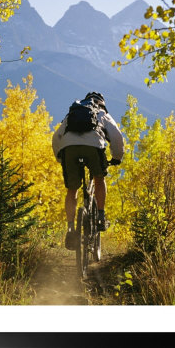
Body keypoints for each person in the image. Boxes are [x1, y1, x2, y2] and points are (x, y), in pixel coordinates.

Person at [52, 92, 124, 250]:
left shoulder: (72, 113)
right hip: (93, 147)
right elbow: (117, 137)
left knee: (72, 189)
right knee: (99, 178)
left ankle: (70, 228)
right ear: (102, 103)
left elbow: (56, 137)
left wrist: (61, 158)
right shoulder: (101, 113)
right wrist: (117, 157)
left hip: (68, 148)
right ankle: (100, 216)